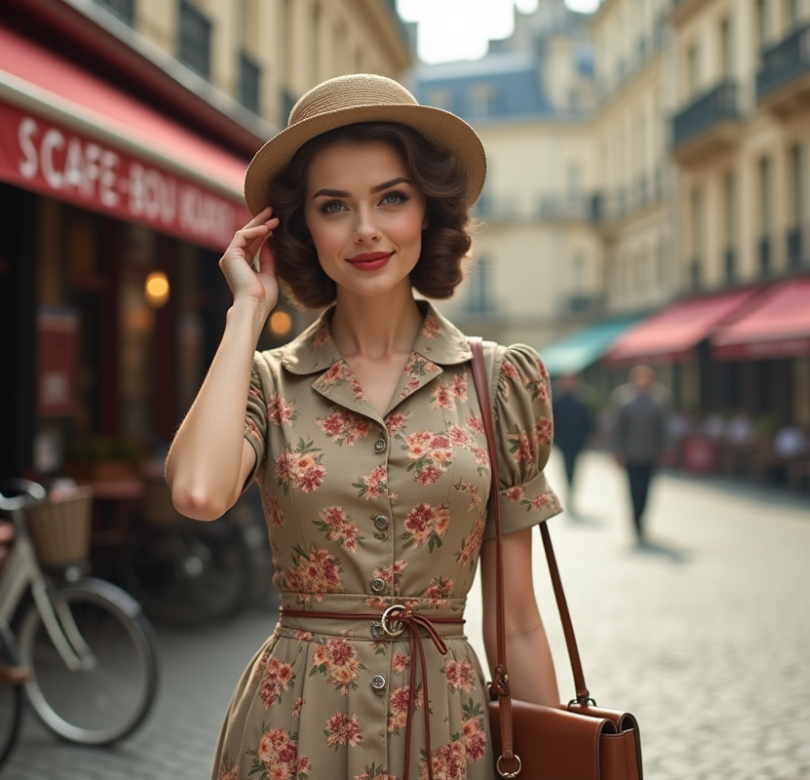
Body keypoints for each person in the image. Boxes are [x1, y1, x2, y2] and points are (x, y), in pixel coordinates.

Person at [165, 74, 562, 780]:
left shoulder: (497, 383)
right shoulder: (265, 382)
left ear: (427, 213)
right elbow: (197, 492)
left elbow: (520, 621)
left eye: (392, 198)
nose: (367, 229)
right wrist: (244, 314)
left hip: (450, 733)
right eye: (334, 206)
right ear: (301, 227)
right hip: (296, 732)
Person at [609, 365, 671, 543]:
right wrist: (617, 450)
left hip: (651, 452)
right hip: (631, 453)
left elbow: (665, 427)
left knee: (646, 489)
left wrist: (667, 448)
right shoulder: (624, 399)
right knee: (633, 488)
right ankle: (635, 520)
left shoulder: (659, 399)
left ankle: (642, 517)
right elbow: (617, 428)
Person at [551, 373, 594, 514]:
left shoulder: (581, 400)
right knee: (566, 466)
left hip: (577, 440)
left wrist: (590, 435)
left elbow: (587, 421)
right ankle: (568, 488)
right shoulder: (557, 401)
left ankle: (571, 490)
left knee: (574, 467)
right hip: (563, 441)